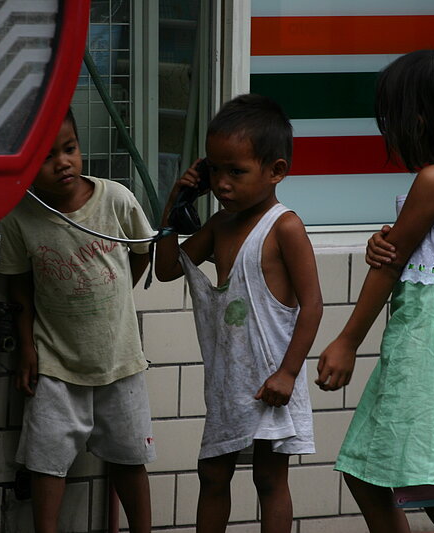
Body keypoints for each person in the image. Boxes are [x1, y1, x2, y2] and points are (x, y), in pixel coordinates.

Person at [315, 49, 434, 533]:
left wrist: (346, 341)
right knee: (366, 472)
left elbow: (389, 267)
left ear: (417, 121)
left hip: (429, 359)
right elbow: (409, 251)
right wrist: (391, 241)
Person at [155, 93, 322, 533]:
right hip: (229, 381)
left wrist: (288, 373)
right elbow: (168, 268)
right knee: (212, 474)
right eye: (213, 170)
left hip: (271, 378)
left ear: (276, 172)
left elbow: (313, 305)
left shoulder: (284, 226)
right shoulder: (218, 227)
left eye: (236, 171)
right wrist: (177, 199)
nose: (222, 183)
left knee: (269, 479)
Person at [0, 109, 155, 533]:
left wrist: (119, 292)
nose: (63, 162)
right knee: (47, 462)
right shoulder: (19, 218)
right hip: (55, 364)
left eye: (70, 149)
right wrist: (27, 349)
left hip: (120, 360)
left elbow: (142, 252)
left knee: (129, 458)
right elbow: (17, 286)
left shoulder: (115, 199)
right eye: (48, 156)